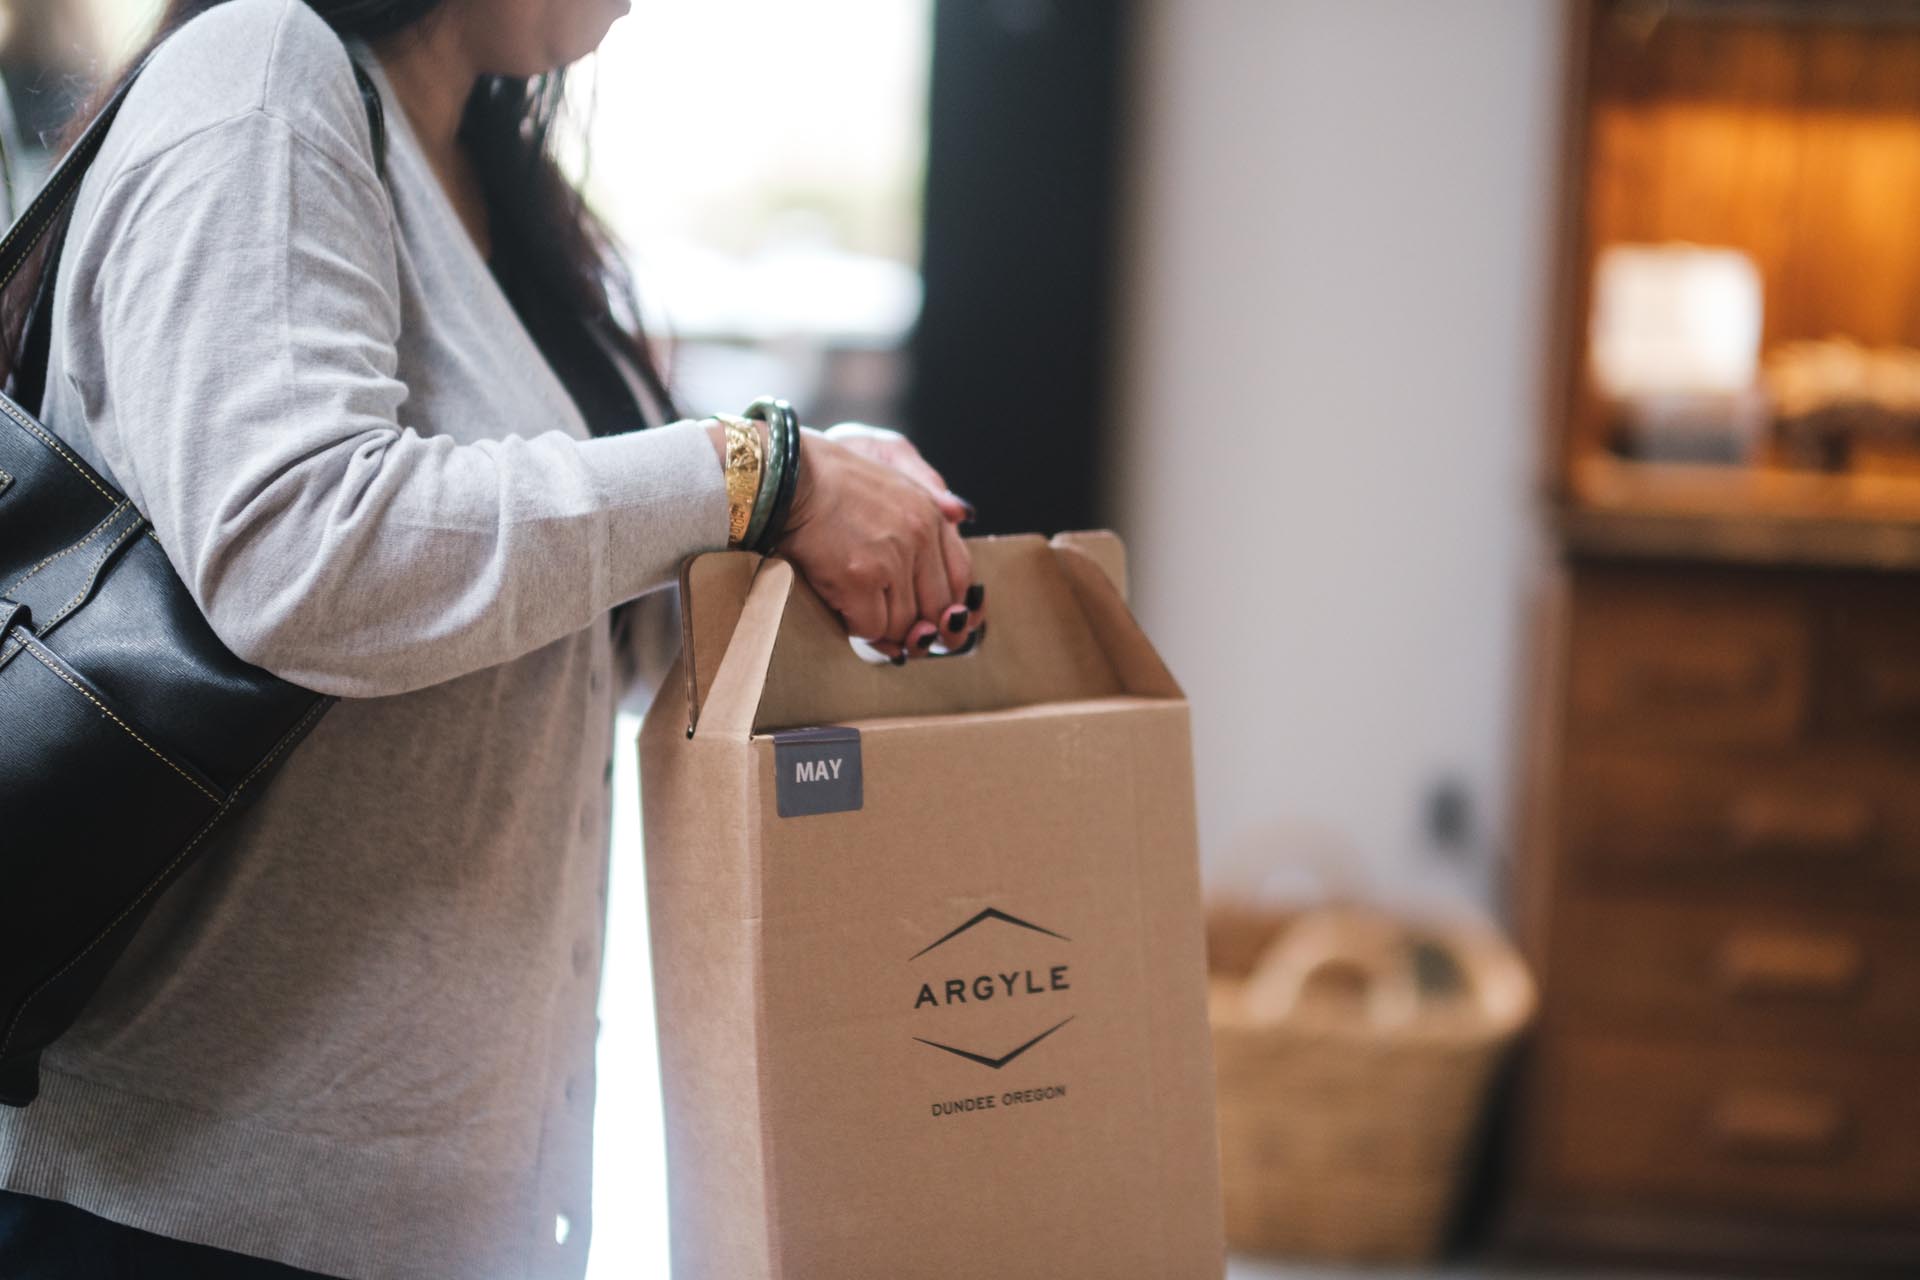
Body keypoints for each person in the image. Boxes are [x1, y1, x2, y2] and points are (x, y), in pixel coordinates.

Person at [0, 0, 984, 1275]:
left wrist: (814, 518)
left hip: (447, 1217)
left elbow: (563, 647)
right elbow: (305, 552)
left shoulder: (474, 169)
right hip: (190, 1212)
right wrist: (754, 474)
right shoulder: (262, 70)